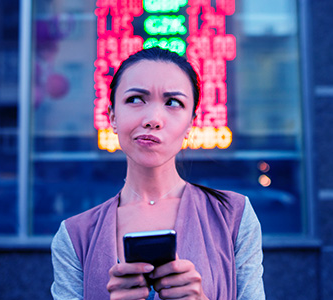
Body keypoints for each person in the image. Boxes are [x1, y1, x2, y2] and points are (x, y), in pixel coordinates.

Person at [51, 47, 264, 300]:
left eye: (173, 103)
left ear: (190, 124)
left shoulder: (234, 216)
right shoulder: (75, 237)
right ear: (112, 116)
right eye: (135, 99)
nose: (153, 118)